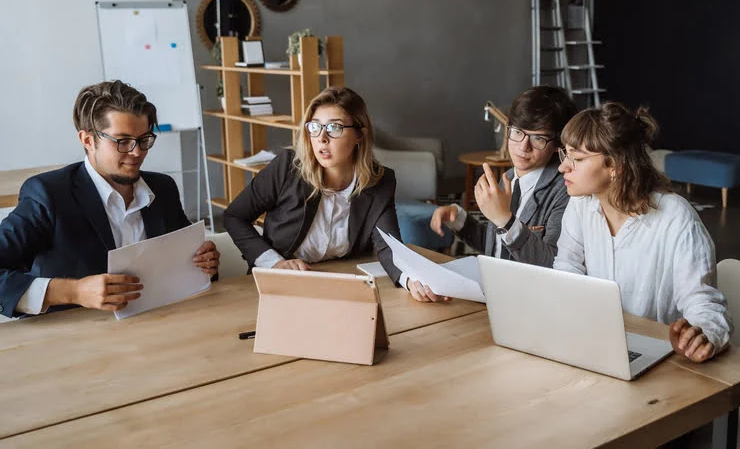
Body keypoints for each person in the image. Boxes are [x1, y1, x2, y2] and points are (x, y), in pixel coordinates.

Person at [0, 80, 220, 318]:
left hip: (156, 325)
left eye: (144, 139)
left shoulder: (163, 188)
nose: (137, 152)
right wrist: (75, 291)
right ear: (87, 140)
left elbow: (186, 265)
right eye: (122, 141)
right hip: (71, 337)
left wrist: (205, 263)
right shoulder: (47, 194)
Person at [553, 102, 732, 363]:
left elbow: (703, 302)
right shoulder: (581, 204)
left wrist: (702, 335)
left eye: (577, 159)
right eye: (565, 155)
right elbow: (567, 268)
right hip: (597, 346)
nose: (563, 168)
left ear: (614, 165)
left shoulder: (677, 218)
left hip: (660, 360)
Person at [414, 86, 578, 303]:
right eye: (517, 132)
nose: (523, 146)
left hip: (532, 303)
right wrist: (459, 219)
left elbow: (552, 265)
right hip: (493, 296)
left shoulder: (565, 191)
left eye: (538, 138)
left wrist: (505, 220)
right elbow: (498, 247)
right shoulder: (508, 177)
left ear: (557, 144)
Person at [223, 87, 402, 283]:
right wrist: (274, 262)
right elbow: (235, 216)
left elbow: (389, 245)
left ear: (359, 135)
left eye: (335, 128)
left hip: (344, 282)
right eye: (315, 127)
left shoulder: (378, 181)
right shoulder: (286, 168)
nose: (322, 138)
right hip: (282, 282)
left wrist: (410, 279)